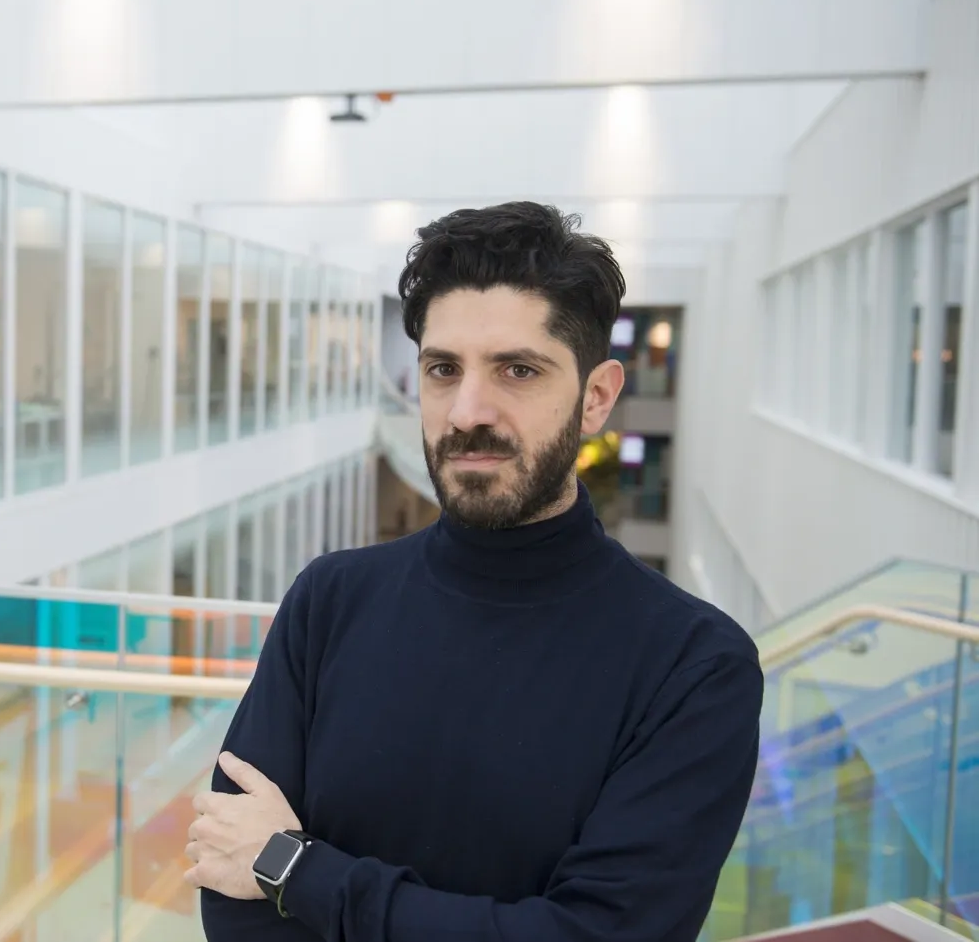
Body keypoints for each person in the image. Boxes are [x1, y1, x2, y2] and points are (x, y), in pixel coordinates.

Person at [185, 202, 763, 942]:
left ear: (597, 397)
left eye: (517, 370)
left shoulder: (694, 665)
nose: (467, 411)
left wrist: (299, 873)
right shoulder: (329, 601)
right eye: (442, 369)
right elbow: (233, 895)